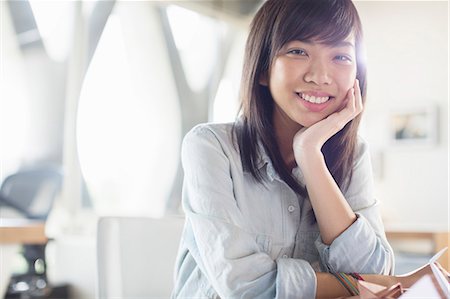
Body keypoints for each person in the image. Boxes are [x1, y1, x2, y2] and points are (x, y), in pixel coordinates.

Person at [172, 0, 449, 298]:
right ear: (263, 69)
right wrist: (368, 284)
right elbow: (244, 286)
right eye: (298, 51)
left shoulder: (352, 154)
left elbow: (374, 269)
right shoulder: (211, 147)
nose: (320, 76)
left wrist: (310, 156)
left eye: (341, 56)